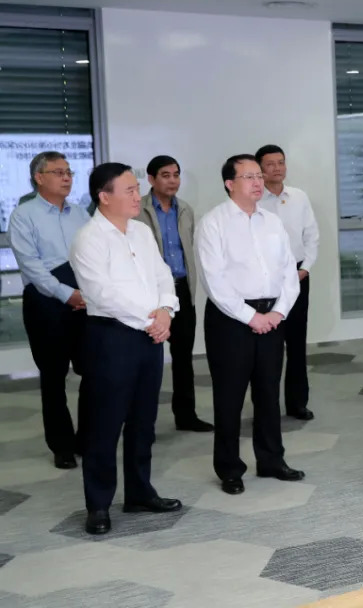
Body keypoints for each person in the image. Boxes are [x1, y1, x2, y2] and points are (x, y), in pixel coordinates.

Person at [71, 163, 183, 535]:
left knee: (143, 420)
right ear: (104, 197)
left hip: (149, 336)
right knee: (105, 423)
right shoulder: (89, 238)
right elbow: (102, 293)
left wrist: (166, 310)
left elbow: (163, 275)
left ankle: (139, 492)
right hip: (111, 337)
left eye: (137, 189)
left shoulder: (141, 231)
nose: (138, 196)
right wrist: (152, 319)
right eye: (130, 190)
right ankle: (99, 504)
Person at [196, 154, 303, 496]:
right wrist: (251, 317)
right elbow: (214, 281)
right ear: (230, 183)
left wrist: (278, 313)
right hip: (230, 321)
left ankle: (271, 459)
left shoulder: (272, 222)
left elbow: (289, 272)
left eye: (259, 176)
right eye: (249, 177)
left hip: (272, 317)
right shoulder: (213, 223)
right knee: (230, 397)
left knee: (269, 393)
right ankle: (229, 468)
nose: (258, 182)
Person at [8, 151, 90, 469]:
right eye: (59, 172)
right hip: (45, 303)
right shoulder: (23, 215)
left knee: (93, 370)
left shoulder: (80, 213)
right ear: (39, 177)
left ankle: (87, 438)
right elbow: (32, 266)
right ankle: (62, 446)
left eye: (69, 172)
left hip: (84, 300)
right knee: (54, 378)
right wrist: (67, 294)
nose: (67, 177)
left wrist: (89, 293)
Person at [135, 155, 213, 432]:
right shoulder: (138, 210)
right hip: (150, 295)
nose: (172, 181)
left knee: (183, 359)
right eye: (165, 175)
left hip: (181, 291)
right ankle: (143, 424)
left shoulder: (186, 210)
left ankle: (186, 415)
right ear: (151, 179)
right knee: (147, 361)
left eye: (176, 175)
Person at [257, 144, 320, 421]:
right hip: (266, 280)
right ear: (260, 169)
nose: (277, 168)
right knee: (267, 347)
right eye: (270, 164)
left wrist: (305, 268)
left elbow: (312, 236)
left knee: (296, 342)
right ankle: (266, 406)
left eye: (281, 162)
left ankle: (297, 402)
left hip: (298, 275)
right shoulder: (255, 199)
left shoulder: (299, 197)